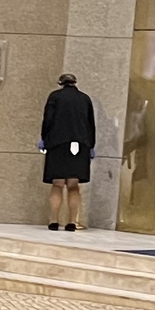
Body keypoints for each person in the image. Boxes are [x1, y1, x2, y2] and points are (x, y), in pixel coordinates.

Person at [41, 73, 96, 231]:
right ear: (75, 82)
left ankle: (53, 221)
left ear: (60, 83)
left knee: (57, 184)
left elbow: (48, 120)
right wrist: (91, 145)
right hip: (80, 145)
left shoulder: (55, 97)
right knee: (73, 185)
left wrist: (45, 139)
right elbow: (90, 124)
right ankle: (72, 222)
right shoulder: (84, 99)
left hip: (57, 144)